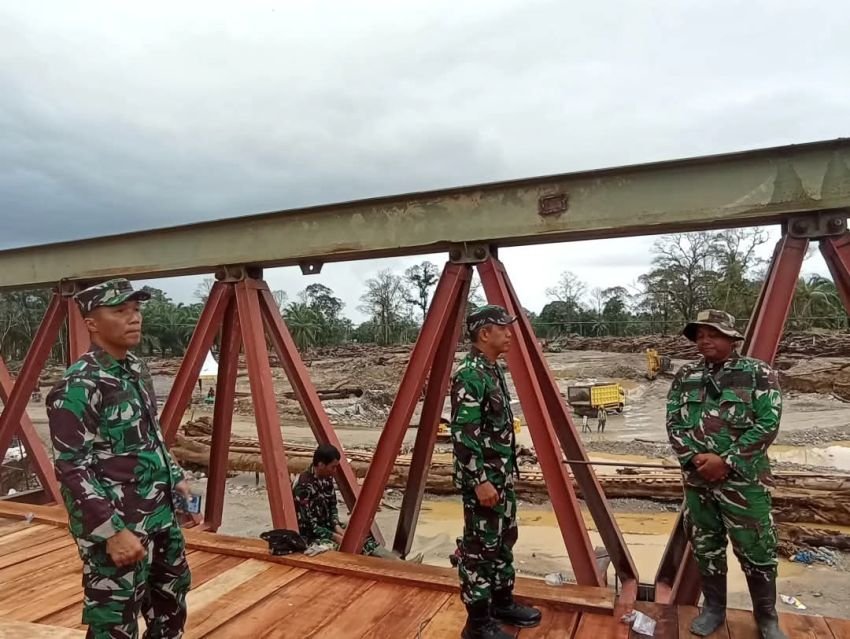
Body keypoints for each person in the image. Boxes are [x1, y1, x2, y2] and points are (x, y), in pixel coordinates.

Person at [46, 279, 199, 639]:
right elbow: (71, 468)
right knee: (115, 622)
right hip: (119, 525)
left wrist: (177, 478)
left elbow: (150, 436)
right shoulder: (78, 385)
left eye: (136, 310)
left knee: (170, 606)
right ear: (91, 324)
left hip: (159, 517)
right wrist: (112, 533)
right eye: (120, 311)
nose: (134, 319)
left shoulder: (135, 370)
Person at [666, 310, 786, 639]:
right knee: (706, 546)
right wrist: (694, 460)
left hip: (746, 482)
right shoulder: (686, 375)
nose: (705, 340)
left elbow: (768, 424)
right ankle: (714, 608)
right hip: (698, 481)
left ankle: (766, 617)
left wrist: (727, 461)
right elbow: (673, 423)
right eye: (700, 334)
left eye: (713, 334)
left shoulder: (757, 373)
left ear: (732, 338)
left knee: (757, 549)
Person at [450, 305, 541, 639]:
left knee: (503, 541)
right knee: (479, 550)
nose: (510, 333)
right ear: (484, 333)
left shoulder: (492, 370)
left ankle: (501, 602)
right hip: (485, 482)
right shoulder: (469, 374)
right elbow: (463, 436)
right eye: (503, 328)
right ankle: (476, 622)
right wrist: (480, 482)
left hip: (501, 477)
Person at [293, 444, 420, 561]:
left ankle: (398, 563)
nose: (335, 471)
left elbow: (332, 505)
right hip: (312, 535)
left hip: (328, 527)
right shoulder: (303, 486)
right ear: (321, 465)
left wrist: (336, 525)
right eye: (333, 467)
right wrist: (334, 536)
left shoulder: (326, 478)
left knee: (361, 537)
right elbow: (308, 525)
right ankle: (396, 566)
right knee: (348, 547)